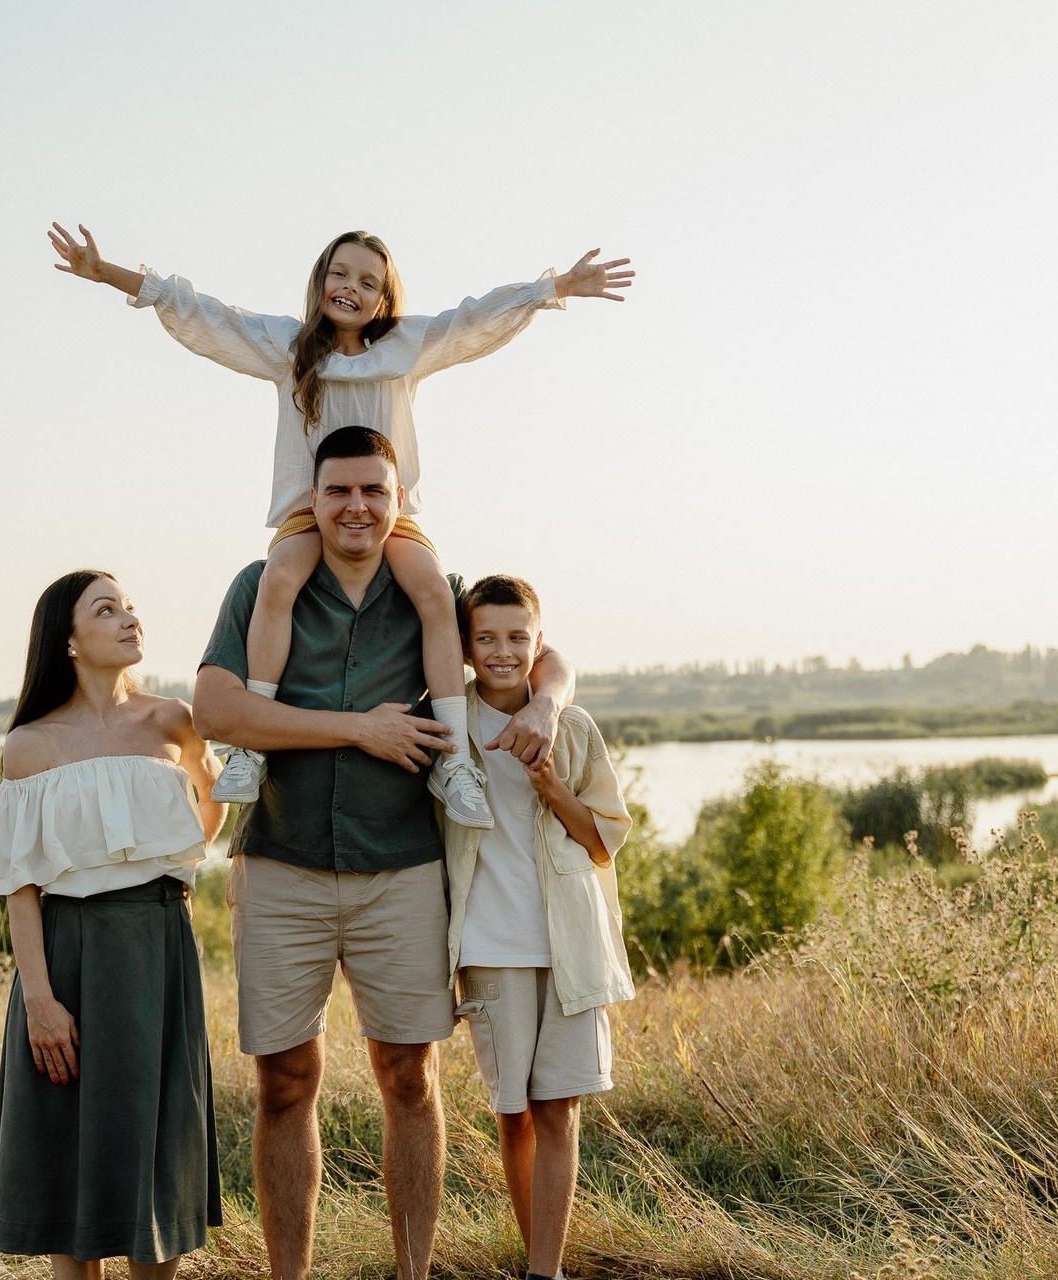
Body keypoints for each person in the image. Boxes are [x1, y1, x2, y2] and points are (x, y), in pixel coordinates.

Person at [48, 221, 631, 826]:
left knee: (432, 588)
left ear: (385, 297)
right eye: (340, 273)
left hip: (387, 514)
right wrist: (106, 271)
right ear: (321, 280)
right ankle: (249, 748)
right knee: (278, 578)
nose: (351, 287)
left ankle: (454, 759)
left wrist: (554, 286)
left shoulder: (406, 347)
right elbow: (204, 314)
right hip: (310, 510)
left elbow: (472, 321)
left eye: (369, 281)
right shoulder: (287, 346)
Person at [191, 427, 575, 1280]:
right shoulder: (262, 585)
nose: (357, 506)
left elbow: (540, 650)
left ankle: (413, 1275)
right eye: (339, 491)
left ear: (399, 500)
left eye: (374, 490)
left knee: (409, 1076)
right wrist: (357, 729)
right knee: (285, 1081)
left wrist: (547, 705)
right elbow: (216, 708)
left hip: (403, 869)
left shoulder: (431, 590)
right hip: (281, 862)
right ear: (313, 500)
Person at [0, 570, 226, 1280]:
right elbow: (19, 887)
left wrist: (173, 866)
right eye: (108, 610)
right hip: (68, 952)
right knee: (67, 1149)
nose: (130, 618)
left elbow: (209, 813)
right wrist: (39, 1000)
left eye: (131, 606)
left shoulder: (175, 720)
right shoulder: (31, 746)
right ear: (68, 642)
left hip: (161, 945)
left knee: (155, 1149)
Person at [445, 574, 636, 1280]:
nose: (503, 651)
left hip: (570, 946)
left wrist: (552, 784)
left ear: (539, 640)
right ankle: (535, 1255)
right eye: (487, 638)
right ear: (466, 647)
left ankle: (543, 1273)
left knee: (560, 1110)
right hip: (490, 949)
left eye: (517, 637)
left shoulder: (574, 727)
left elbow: (601, 843)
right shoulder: (450, 725)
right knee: (515, 1113)